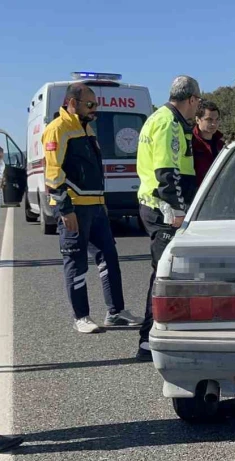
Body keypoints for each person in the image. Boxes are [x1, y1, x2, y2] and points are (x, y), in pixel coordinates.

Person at [41, 83, 141, 333]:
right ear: (72, 103)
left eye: (95, 104)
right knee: (76, 262)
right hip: (74, 207)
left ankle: (116, 312)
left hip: (95, 207)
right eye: (90, 104)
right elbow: (53, 173)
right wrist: (65, 209)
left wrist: (102, 204)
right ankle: (81, 316)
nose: (95, 109)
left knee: (109, 258)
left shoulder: (87, 129)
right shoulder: (58, 129)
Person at [135, 76, 201, 361]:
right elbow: (167, 173)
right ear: (192, 99)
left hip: (156, 206)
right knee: (163, 274)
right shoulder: (169, 123)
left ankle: (169, 331)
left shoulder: (157, 118)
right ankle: (148, 340)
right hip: (163, 210)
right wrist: (177, 211)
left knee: (170, 271)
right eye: (197, 102)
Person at [192, 100, 225, 187]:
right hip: (197, 196)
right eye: (209, 120)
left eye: (217, 120)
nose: (214, 124)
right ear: (198, 120)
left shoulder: (221, 145)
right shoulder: (189, 143)